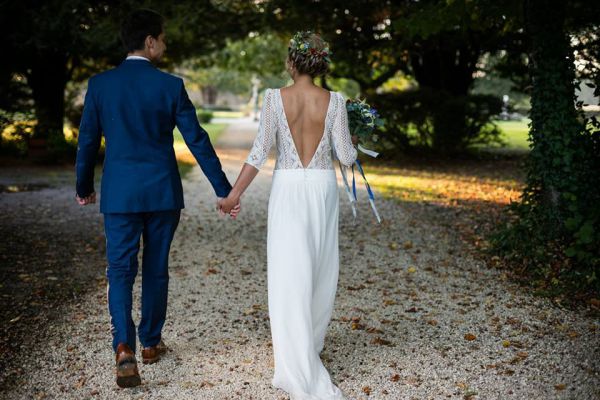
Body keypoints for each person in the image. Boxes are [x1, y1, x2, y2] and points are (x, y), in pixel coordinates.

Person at [75, 9, 239, 388]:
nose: (164, 45)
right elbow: (196, 139)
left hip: (119, 195)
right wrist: (222, 189)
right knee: (155, 268)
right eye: (162, 39)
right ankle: (150, 342)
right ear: (149, 41)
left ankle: (123, 347)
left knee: (119, 271)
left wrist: (83, 187)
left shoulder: (100, 85)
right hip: (163, 193)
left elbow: (87, 142)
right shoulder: (170, 86)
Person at [218, 31, 357, 400]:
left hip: (289, 189)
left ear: (292, 62)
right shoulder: (336, 101)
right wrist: (354, 138)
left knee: (288, 270)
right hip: (322, 189)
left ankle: (295, 359)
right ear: (320, 62)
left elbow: (258, 152)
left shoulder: (273, 99)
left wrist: (233, 195)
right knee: (320, 267)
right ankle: (308, 348)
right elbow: (345, 156)